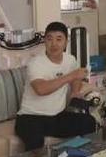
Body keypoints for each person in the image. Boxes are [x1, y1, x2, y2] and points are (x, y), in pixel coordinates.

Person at [14, 21, 96, 150]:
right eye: (49, 39)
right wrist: (70, 76)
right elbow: (41, 89)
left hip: (57, 116)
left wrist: (75, 90)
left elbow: (76, 79)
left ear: (66, 42)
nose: (54, 44)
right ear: (45, 41)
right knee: (35, 140)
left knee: (89, 122)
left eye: (59, 39)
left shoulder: (70, 59)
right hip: (30, 117)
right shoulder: (35, 63)